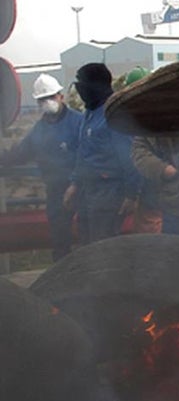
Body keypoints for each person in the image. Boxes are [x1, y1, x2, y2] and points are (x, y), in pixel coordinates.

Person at [0, 74, 82, 260]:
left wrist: (75, 183)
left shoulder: (78, 122)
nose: (47, 102)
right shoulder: (39, 129)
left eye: (51, 97)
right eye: (42, 99)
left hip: (81, 190)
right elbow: (21, 152)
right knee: (60, 242)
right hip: (55, 193)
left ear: (61, 96)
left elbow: (88, 156)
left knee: (88, 239)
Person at [63, 63, 142, 244]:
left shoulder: (114, 114)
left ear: (95, 86)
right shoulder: (89, 113)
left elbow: (129, 157)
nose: (80, 90)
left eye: (83, 85)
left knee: (103, 243)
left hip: (109, 191)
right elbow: (83, 152)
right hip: (87, 189)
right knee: (85, 240)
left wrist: (132, 195)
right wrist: (74, 184)